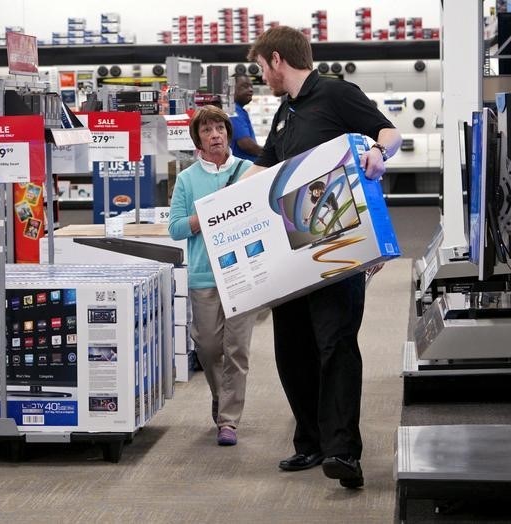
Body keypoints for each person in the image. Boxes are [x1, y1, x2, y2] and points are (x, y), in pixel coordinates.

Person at [243, 26, 401, 488]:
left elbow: (388, 133)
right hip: (290, 251)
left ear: (276, 60)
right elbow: (263, 168)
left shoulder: (334, 93)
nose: (260, 77)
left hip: (337, 247)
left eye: (260, 68)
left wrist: (377, 152)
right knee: (292, 349)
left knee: (335, 343)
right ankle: (310, 441)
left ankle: (343, 453)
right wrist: (219, 205)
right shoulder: (285, 112)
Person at [168, 105, 257, 447]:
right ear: (199, 141)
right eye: (207, 130)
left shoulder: (249, 169)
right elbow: (176, 229)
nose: (215, 134)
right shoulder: (188, 179)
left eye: (220, 128)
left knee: (237, 349)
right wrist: (206, 216)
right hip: (205, 276)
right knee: (207, 347)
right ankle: (222, 397)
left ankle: (229, 420)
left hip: (243, 271)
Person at [230, 73, 263, 162]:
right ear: (231, 89)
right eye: (245, 86)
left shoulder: (239, 110)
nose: (250, 90)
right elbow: (246, 144)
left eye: (251, 87)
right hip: (243, 170)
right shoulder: (233, 110)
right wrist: (270, 155)